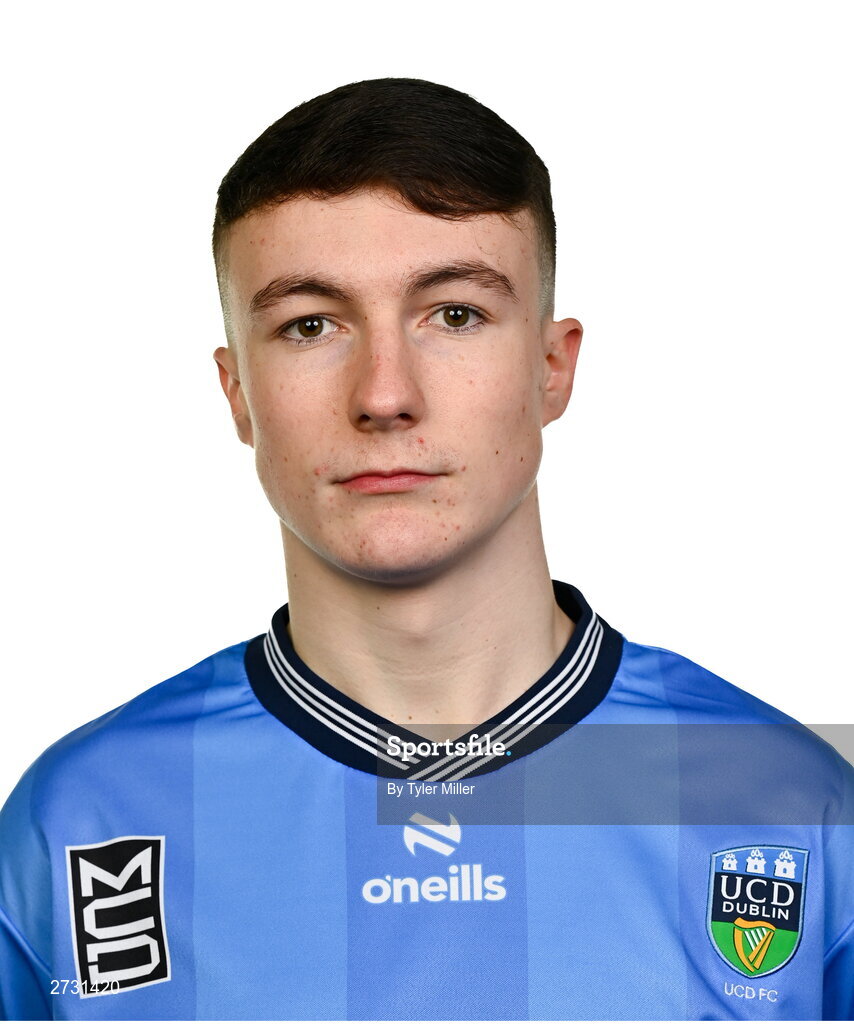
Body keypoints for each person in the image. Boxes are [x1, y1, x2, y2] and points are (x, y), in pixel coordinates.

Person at [0, 78, 851, 1022]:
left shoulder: (785, 804)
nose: (384, 394)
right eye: (310, 325)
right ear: (238, 392)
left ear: (551, 366)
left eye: (454, 313)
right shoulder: (83, 822)